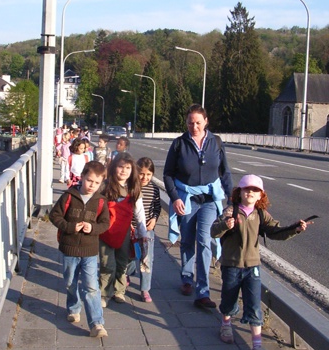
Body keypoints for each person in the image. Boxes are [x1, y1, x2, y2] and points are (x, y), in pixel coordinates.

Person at [211, 174, 312, 350]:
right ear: (239, 192)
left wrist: (295, 229)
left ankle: (257, 347)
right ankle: (226, 325)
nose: (250, 192)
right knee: (229, 297)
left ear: (260, 196)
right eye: (246, 189)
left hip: (253, 266)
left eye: (255, 190)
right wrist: (225, 225)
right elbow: (214, 230)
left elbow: (275, 231)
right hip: (231, 264)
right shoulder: (230, 211)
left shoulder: (260, 215)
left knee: (254, 303)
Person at [163, 104, 233, 309]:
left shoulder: (216, 143)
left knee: (204, 241)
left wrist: (231, 197)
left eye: (198, 123)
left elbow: (225, 172)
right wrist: (175, 198)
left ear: (206, 122)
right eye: (190, 123)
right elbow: (168, 174)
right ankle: (187, 277)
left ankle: (202, 291)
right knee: (187, 240)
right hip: (186, 199)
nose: (194, 126)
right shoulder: (179, 144)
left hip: (209, 200)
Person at [49, 161, 110, 338]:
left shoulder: (100, 201)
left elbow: (105, 223)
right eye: (89, 180)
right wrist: (69, 226)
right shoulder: (69, 196)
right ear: (82, 177)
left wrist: (93, 229)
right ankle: (74, 308)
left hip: (90, 251)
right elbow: (54, 215)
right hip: (69, 248)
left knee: (91, 287)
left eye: (97, 183)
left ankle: (97, 323)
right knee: (70, 282)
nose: (92, 186)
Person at [99, 152, 147, 307]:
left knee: (122, 263)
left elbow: (139, 212)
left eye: (127, 168)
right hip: (105, 231)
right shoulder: (105, 186)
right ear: (114, 167)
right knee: (107, 264)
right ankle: (104, 293)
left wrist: (142, 232)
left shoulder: (134, 189)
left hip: (124, 232)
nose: (124, 171)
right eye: (120, 167)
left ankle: (119, 291)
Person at [135, 157, 161, 303]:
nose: (145, 177)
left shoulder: (154, 188)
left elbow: (156, 207)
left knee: (146, 259)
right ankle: (127, 274)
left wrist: (154, 219)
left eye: (148, 174)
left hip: (148, 229)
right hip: (131, 229)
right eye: (142, 174)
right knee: (130, 258)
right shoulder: (131, 187)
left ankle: (145, 289)